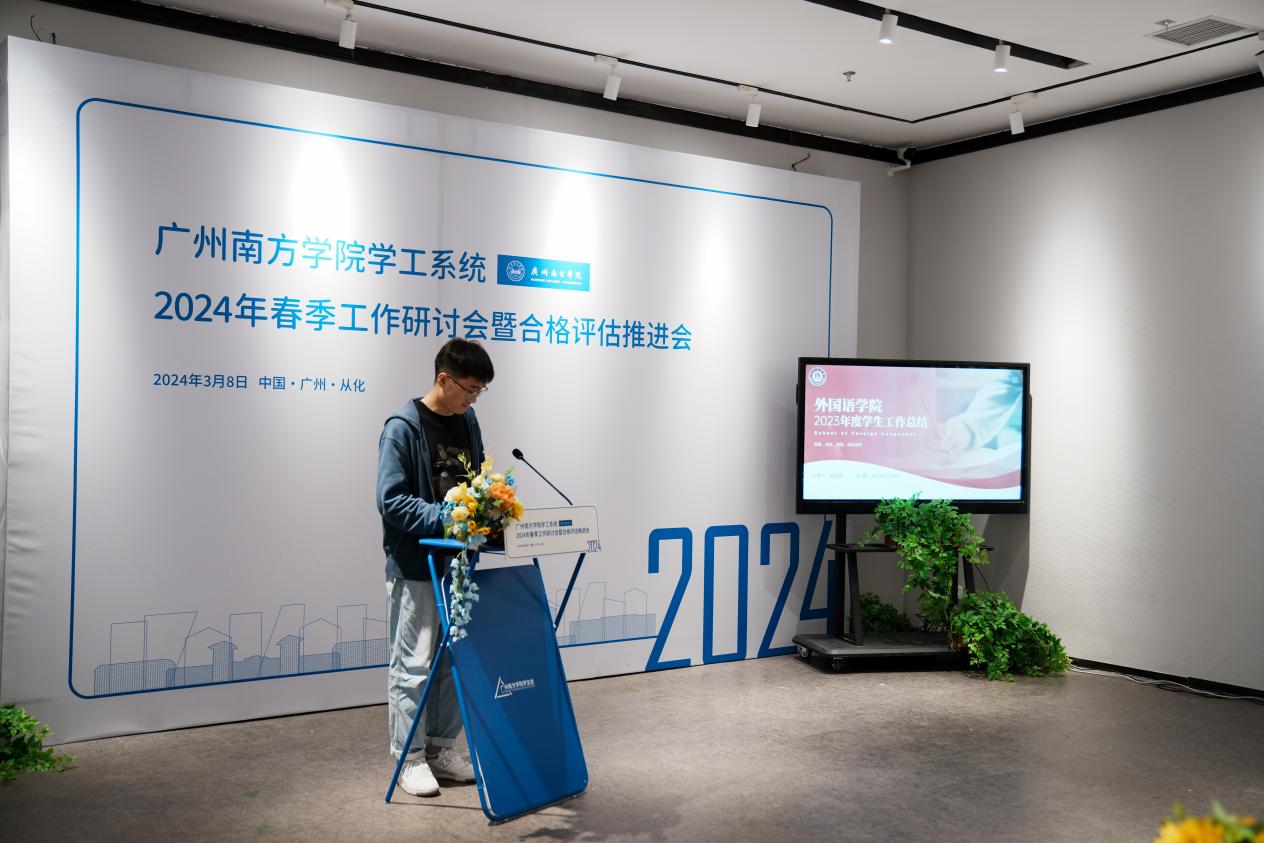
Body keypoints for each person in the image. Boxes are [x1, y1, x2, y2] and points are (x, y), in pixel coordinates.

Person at [376, 338, 494, 797]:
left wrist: (487, 509)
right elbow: (391, 500)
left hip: (459, 564)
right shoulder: (402, 428)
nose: (473, 399)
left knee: (451, 661)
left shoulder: (468, 422)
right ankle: (409, 758)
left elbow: (475, 481)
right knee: (413, 664)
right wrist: (448, 517)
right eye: (469, 389)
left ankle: (442, 748)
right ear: (444, 379)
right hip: (416, 564)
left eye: (480, 391)